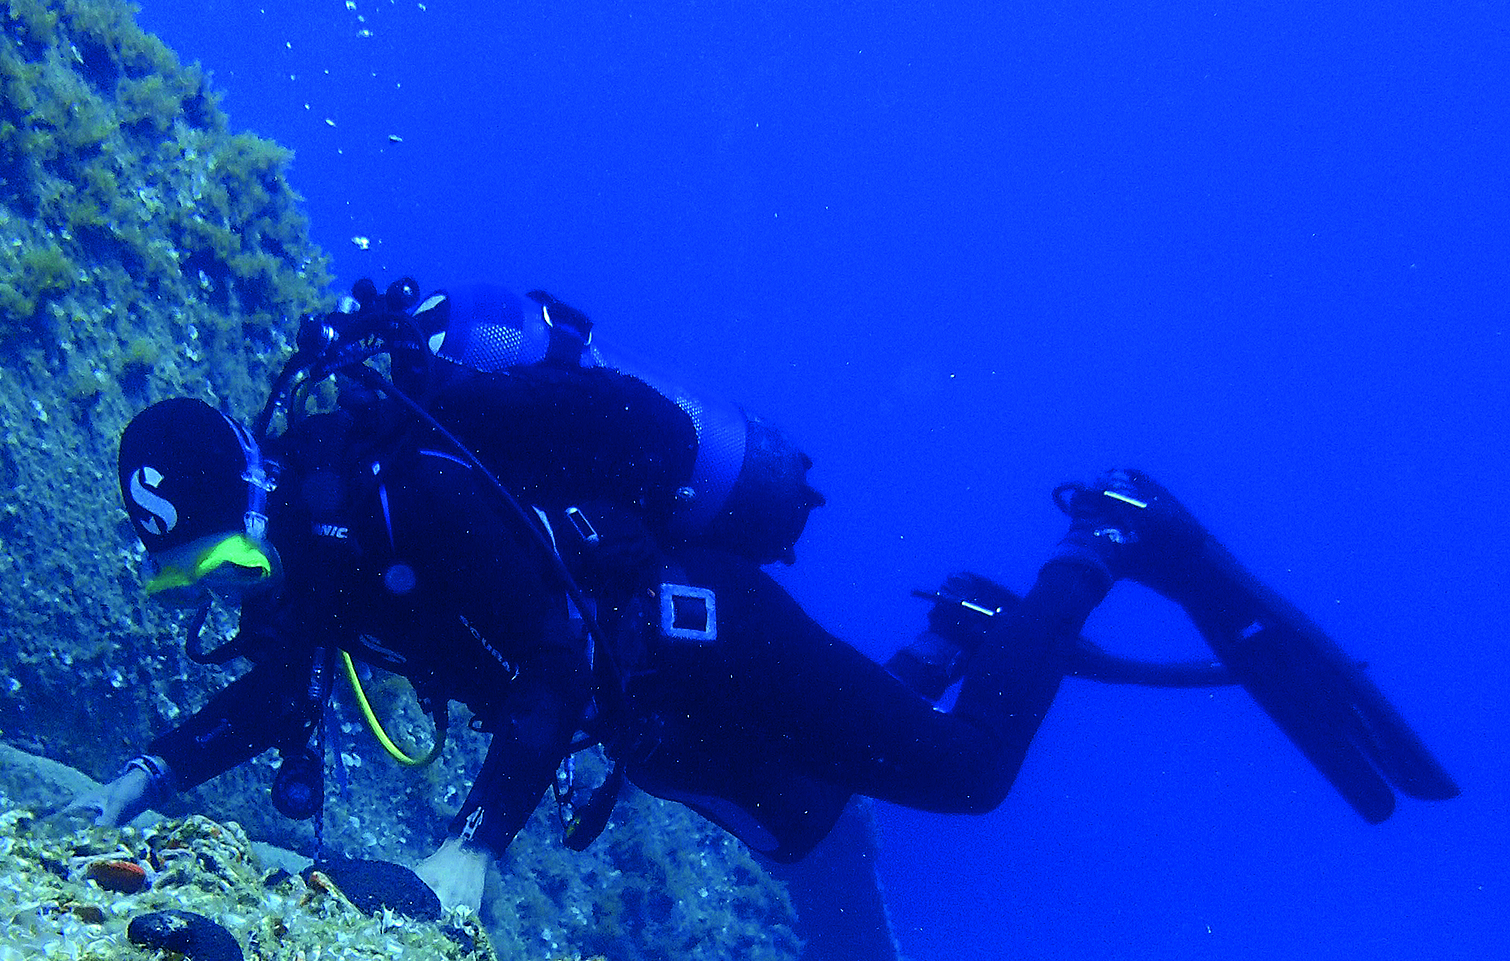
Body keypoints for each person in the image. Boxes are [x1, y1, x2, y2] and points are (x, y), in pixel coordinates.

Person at [82, 278, 1457, 910]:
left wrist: (468, 851)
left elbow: (556, 653)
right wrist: (144, 775)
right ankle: (950, 634)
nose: (224, 588)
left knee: (966, 778)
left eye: (213, 557)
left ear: (251, 494)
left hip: (696, 629)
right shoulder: (320, 550)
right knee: (809, 815)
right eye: (188, 576)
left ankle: (1095, 543)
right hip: (653, 706)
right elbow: (280, 690)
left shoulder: (419, 496)